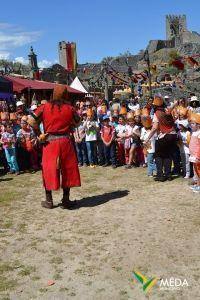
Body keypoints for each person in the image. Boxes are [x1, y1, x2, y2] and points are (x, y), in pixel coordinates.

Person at [28, 84, 81, 209]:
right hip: (65, 142)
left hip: (49, 142)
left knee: (48, 170)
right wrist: (69, 126)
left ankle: (49, 201)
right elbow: (78, 122)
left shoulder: (44, 107)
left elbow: (31, 121)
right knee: (67, 170)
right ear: (65, 95)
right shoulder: (70, 108)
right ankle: (66, 200)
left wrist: (39, 134)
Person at [144, 95, 178, 181]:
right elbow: (173, 108)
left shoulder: (157, 114)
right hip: (173, 135)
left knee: (158, 155)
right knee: (168, 155)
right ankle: (168, 174)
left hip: (164, 135)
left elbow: (155, 127)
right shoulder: (167, 110)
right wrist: (175, 103)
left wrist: (147, 138)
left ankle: (160, 175)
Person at [189, 113, 200, 193]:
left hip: (197, 156)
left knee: (199, 171)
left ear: (198, 125)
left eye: (193, 123)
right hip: (193, 156)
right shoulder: (193, 132)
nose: (191, 125)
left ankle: (199, 185)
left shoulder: (199, 133)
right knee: (195, 170)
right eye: (191, 123)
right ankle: (197, 183)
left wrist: (198, 157)